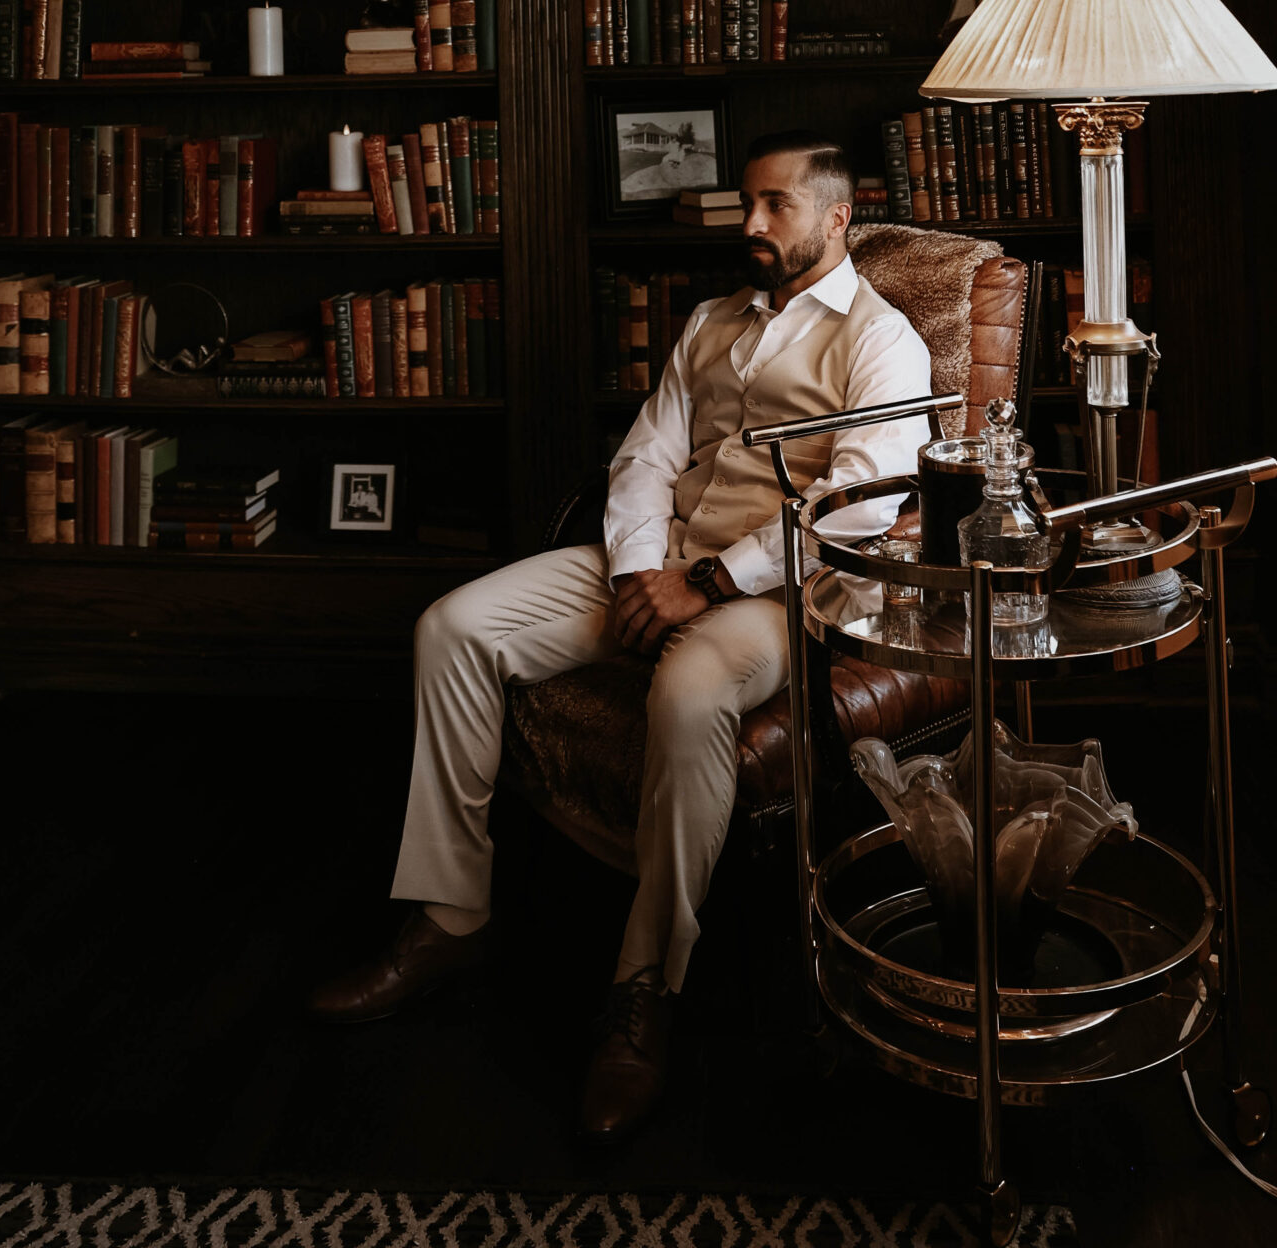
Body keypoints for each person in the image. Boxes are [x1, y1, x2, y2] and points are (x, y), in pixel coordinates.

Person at [308, 130, 932, 1141]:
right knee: (454, 627)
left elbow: (857, 508)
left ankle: (646, 985)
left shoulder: (879, 337)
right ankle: (452, 910)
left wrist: (718, 580)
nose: (752, 223)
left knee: (687, 694)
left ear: (837, 215)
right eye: (748, 203)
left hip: (774, 593)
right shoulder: (713, 320)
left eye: (775, 205)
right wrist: (648, 568)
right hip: (664, 560)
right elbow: (645, 456)